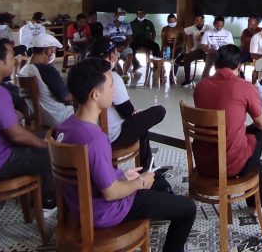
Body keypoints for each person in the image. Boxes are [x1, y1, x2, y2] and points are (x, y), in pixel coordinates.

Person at [56, 59, 195, 252]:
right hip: (106, 212)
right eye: (111, 85)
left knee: (154, 185)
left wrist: (121, 175)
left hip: (78, 206)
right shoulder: (95, 138)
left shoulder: (65, 127)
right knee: (187, 209)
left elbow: (90, 173)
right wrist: (140, 183)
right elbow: (111, 193)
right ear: (95, 94)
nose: (114, 90)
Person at [0, 39, 54, 207]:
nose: (15, 61)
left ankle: (42, 194)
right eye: (12, 57)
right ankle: (48, 200)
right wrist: (44, 145)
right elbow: (16, 135)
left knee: (49, 136)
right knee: (58, 154)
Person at [193, 44, 262, 213]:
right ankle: (258, 203)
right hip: (230, 166)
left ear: (215, 65)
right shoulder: (245, 87)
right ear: (238, 66)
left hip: (203, 163)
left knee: (245, 134)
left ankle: (258, 201)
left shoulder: (200, 86)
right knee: (259, 134)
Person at [86, 39, 166, 170]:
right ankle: (147, 170)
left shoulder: (82, 74)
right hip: (112, 137)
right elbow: (127, 111)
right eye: (116, 52)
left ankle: (148, 169)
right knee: (158, 111)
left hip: (90, 135)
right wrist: (135, 112)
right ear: (112, 56)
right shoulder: (111, 77)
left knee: (141, 125)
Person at [17, 33, 74, 128]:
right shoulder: (47, 70)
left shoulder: (24, 70)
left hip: (38, 117)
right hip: (58, 117)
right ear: (48, 50)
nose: (53, 53)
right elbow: (66, 98)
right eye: (54, 50)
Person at [176, 14, 212, 86]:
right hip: (197, 50)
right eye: (197, 20)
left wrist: (202, 35)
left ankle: (206, 79)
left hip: (207, 50)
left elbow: (213, 32)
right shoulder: (193, 28)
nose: (199, 22)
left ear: (203, 20)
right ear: (194, 21)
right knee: (187, 59)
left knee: (208, 61)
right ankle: (187, 80)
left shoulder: (208, 27)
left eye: (201, 20)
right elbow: (183, 31)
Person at [198, 16, 234, 80]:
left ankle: (225, 81)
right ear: (214, 24)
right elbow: (203, 45)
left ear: (223, 25)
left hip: (224, 54)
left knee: (228, 66)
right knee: (207, 66)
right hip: (211, 53)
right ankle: (203, 81)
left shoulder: (228, 33)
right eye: (217, 25)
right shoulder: (208, 32)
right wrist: (209, 51)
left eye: (221, 25)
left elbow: (231, 46)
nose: (219, 27)